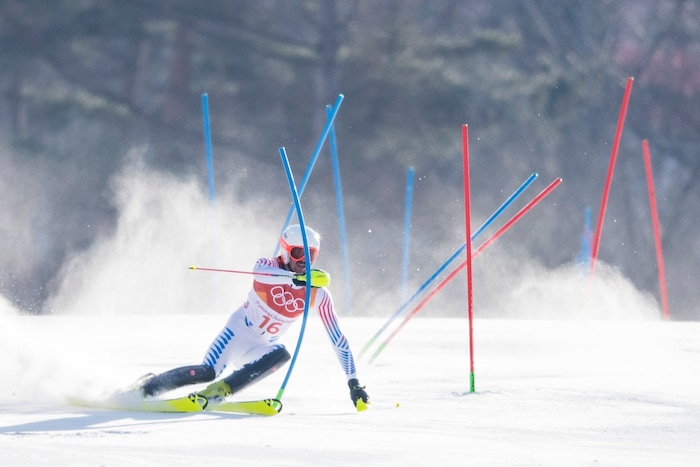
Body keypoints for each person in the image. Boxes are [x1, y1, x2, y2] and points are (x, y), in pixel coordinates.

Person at [137, 224, 369, 409]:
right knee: (207, 372)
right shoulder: (268, 266)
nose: (303, 260)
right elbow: (262, 274)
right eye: (298, 252)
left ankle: (221, 391)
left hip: (261, 347)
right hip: (238, 333)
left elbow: (338, 339)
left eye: (311, 254)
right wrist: (297, 280)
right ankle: (145, 388)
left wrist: (353, 382)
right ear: (285, 251)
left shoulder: (318, 294)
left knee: (281, 353)